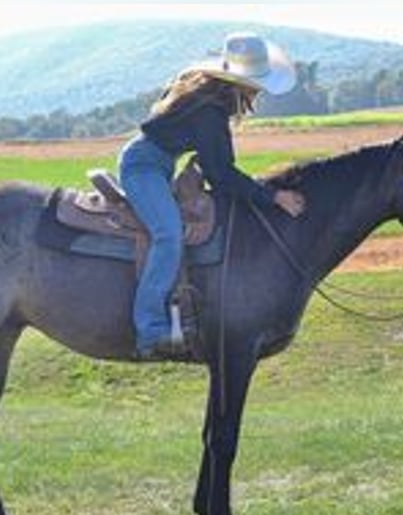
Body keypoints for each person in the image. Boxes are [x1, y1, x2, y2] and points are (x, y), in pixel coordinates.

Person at [118, 32, 306, 359]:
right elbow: (221, 173)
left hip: (155, 163)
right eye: (257, 83)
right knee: (168, 234)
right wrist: (272, 197)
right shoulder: (211, 111)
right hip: (144, 167)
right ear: (243, 82)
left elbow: (217, 167)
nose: (259, 90)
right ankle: (150, 329)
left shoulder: (207, 98)